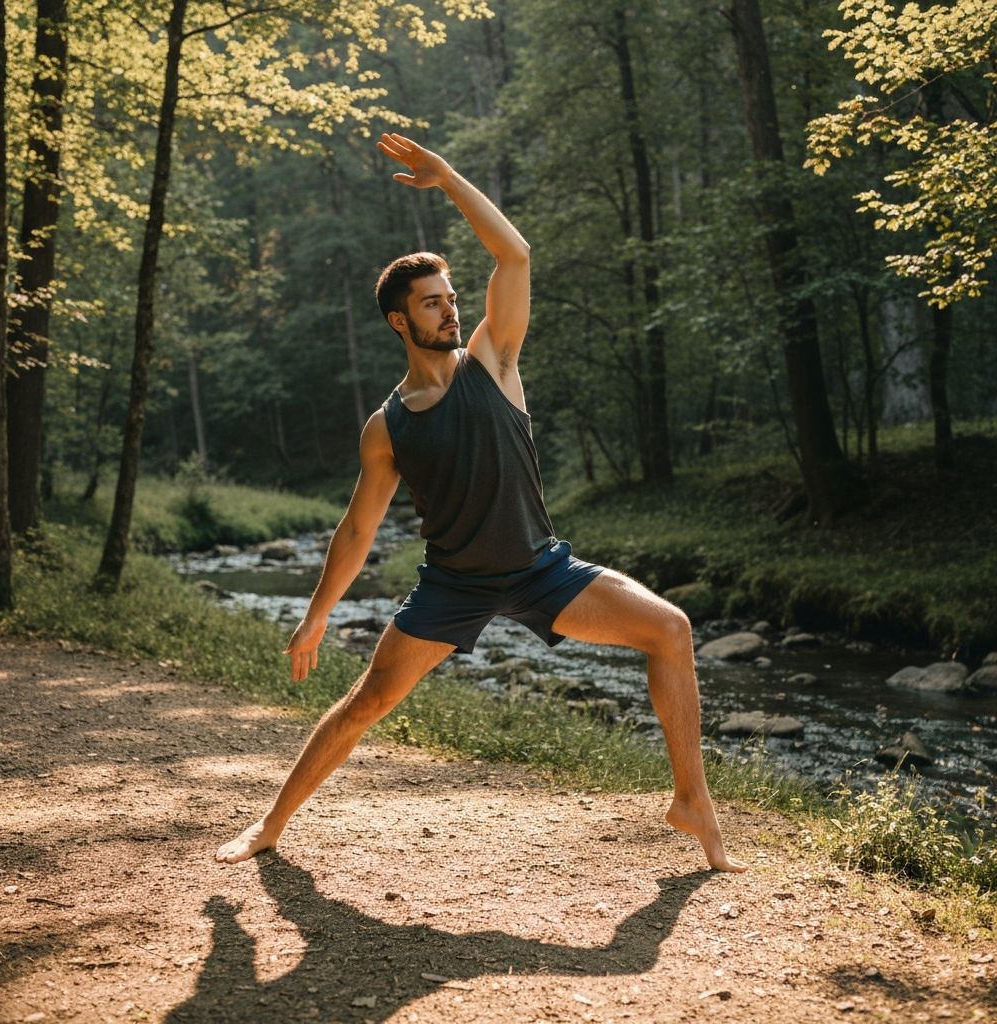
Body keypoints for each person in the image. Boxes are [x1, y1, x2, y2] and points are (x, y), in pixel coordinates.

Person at [216, 133, 747, 873]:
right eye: (432, 304)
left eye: (451, 298)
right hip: (453, 585)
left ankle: (692, 801)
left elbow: (516, 257)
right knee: (366, 702)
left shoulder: (494, 359)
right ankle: (270, 826)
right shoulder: (388, 426)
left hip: (541, 571)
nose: (450, 311)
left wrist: (447, 179)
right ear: (400, 321)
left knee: (672, 628)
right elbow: (357, 527)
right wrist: (315, 613)